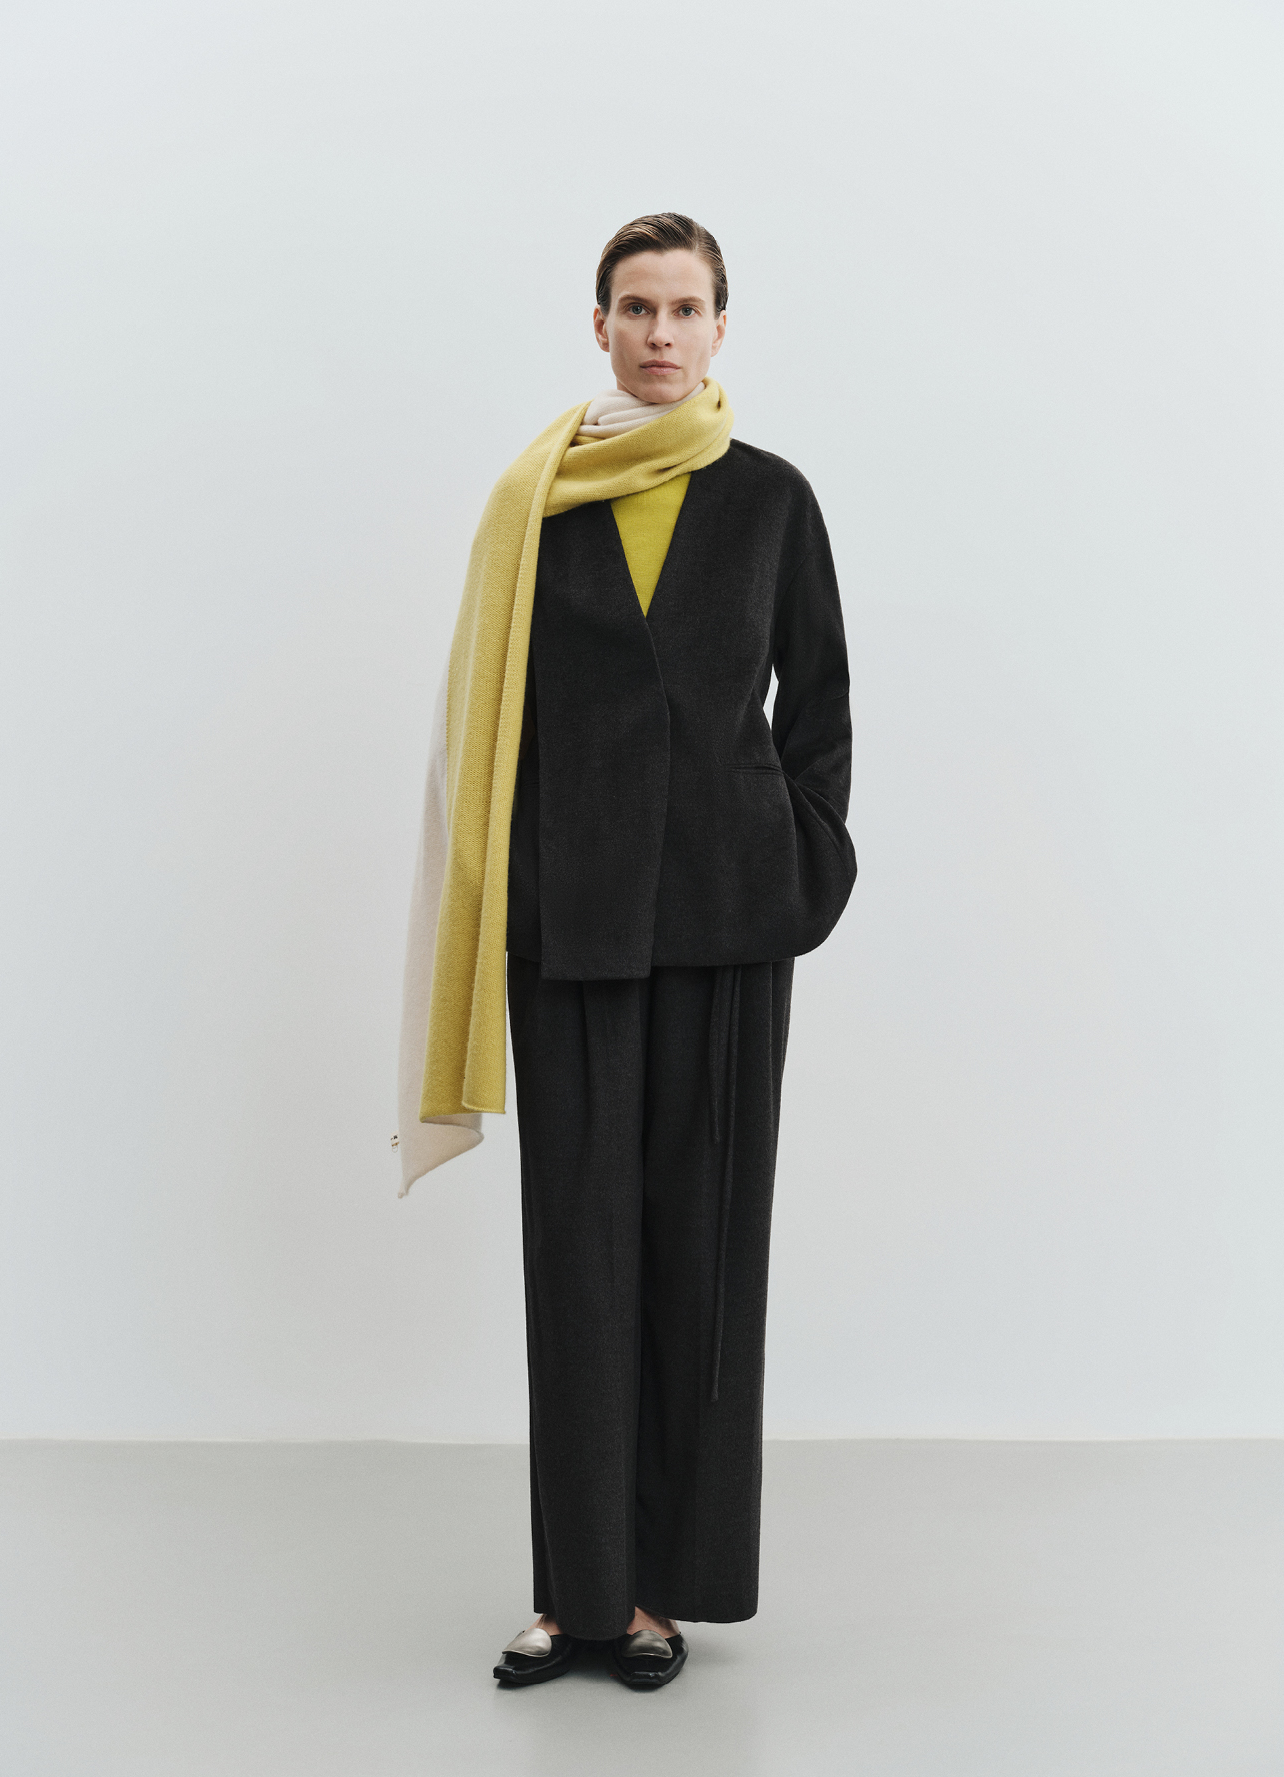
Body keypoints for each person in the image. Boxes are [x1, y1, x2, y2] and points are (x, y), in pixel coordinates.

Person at [397, 213, 856, 1691]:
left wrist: (801, 859)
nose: (662, 333)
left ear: (722, 326)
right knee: (579, 1259)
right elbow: (496, 720)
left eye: (686, 308)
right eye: (636, 308)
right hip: (573, 924)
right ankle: (575, 1594)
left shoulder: (771, 499)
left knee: (699, 1255)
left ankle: (662, 1591)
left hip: (729, 922)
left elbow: (821, 704)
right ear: (597, 323)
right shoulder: (534, 501)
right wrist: (516, 885)